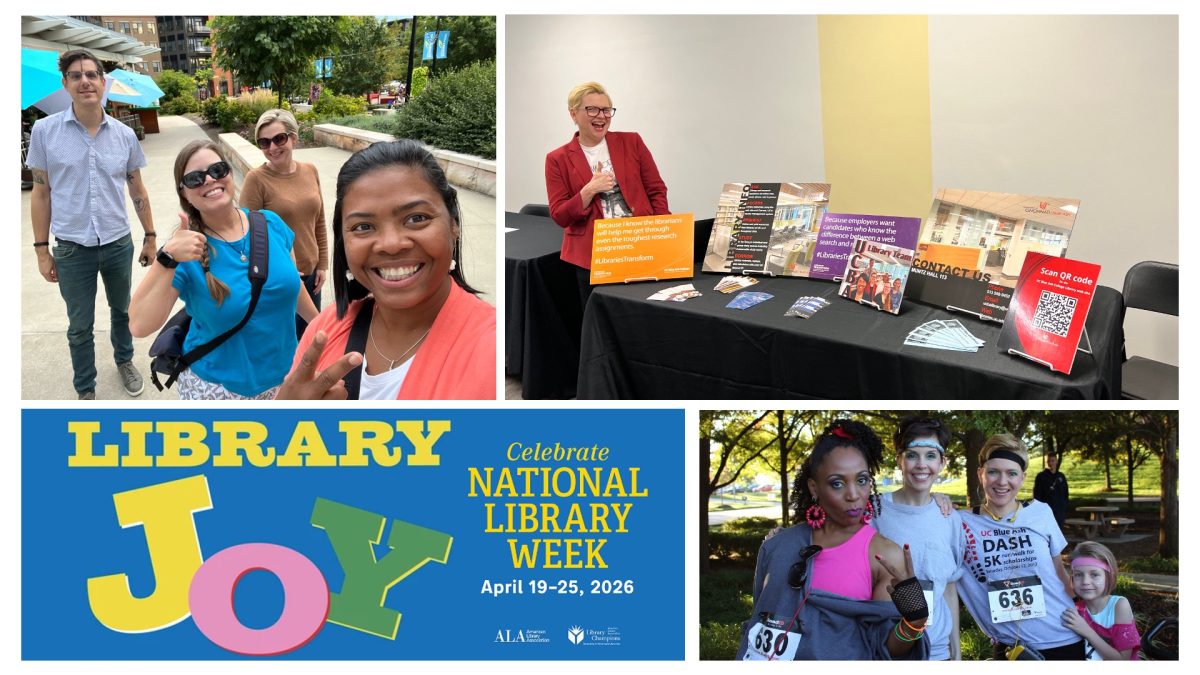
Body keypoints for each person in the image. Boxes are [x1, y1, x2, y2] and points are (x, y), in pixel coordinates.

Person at [277, 139, 495, 400]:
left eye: (416, 218)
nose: (391, 245)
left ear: (454, 224)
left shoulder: (490, 348)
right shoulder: (326, 329)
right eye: (363, 226)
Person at [129, 141, 317, 399]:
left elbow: (291, 288)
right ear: (184, 192)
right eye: (195, 178)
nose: (209, 180)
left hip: (285, 378)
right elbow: (139, 325)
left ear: (230, 174)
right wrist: (166, 258)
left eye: (217, 170)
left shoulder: (271, 224)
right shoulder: (184, 251)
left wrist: (322, 327)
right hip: (217, 389)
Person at [737, 420, 930, 660]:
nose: (853, 495)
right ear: (814, 488)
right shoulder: (779, 545)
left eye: (861, 480)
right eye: (837, 483)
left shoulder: (885, 556)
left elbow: (884, 652)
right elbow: (761, 619)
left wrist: (914, 622)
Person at [27, 49, 156, 399]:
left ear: (103, 81)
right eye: (76, 75)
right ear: (65, 84)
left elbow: (136, 186)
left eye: (91, 74)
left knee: (122, 310)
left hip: (117, 242)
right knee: (79, 326)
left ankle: (125, 360)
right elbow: (41, 194)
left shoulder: (124, 135)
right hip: (71, 247)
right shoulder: (44, 131)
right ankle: (85, 387)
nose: (85, 81)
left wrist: (150, 235)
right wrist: (41, 250)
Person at [956, 434, 1084, 660]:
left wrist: (1088, 612)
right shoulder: (959, 523)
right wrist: (936, 498)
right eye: (993, 472)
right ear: (980, 474)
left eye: (1012, 473)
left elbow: (1059, 571)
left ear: (1023, 477)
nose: (1002, 481)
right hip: (1010, 647)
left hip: (1064, 633)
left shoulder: (1040, 512)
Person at [545, 81, 669, 307]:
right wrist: (589, 190)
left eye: (606, 110)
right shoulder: (557, 159)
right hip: (592, 257)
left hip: (640, 247)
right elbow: (560, 216)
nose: (601, 116)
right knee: (601, 324)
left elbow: (656, 190)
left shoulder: (632, 142)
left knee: (646, 315)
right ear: (573, 114)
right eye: (592, 109)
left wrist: (661, 234)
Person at [873, 417, 967, 660]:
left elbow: (948, 588)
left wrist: (955, 652)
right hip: (887, 648)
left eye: (930, 456)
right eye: (912, 455)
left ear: (942, 462)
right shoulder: (875, 511)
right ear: (899, 460)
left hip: (937, 651)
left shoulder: (950, 518)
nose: (921, 465)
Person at [240, 109, 328, 340]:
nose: (272, 148)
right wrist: (277, 270)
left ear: (293, 138)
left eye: (279, 139)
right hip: (279, 279)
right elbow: (245, 236)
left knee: (310, 341)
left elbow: (318, 220)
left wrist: (323, 264)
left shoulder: (310, 170)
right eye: (264, 142)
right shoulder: (256, 180)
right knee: (287, 348)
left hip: (311, 274)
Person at [1061, 541, 1141, 660]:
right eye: (1078, 575)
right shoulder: (1076, 609)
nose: (1085, 581)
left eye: (1094, 575)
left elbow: (1123, 660)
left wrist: (1087, 631)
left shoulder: (1118, 606)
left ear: (1109, 577)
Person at [1033, 452, 1070, 529]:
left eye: (1053, 461)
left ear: (1056, 461)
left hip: (1060, 511)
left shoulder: (1061, 476)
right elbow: (1037, 494)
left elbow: (1066, 493)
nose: (1051, 463)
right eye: (1049, 461)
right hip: (1046, 511)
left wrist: (1064, 507)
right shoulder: (1041, 477)